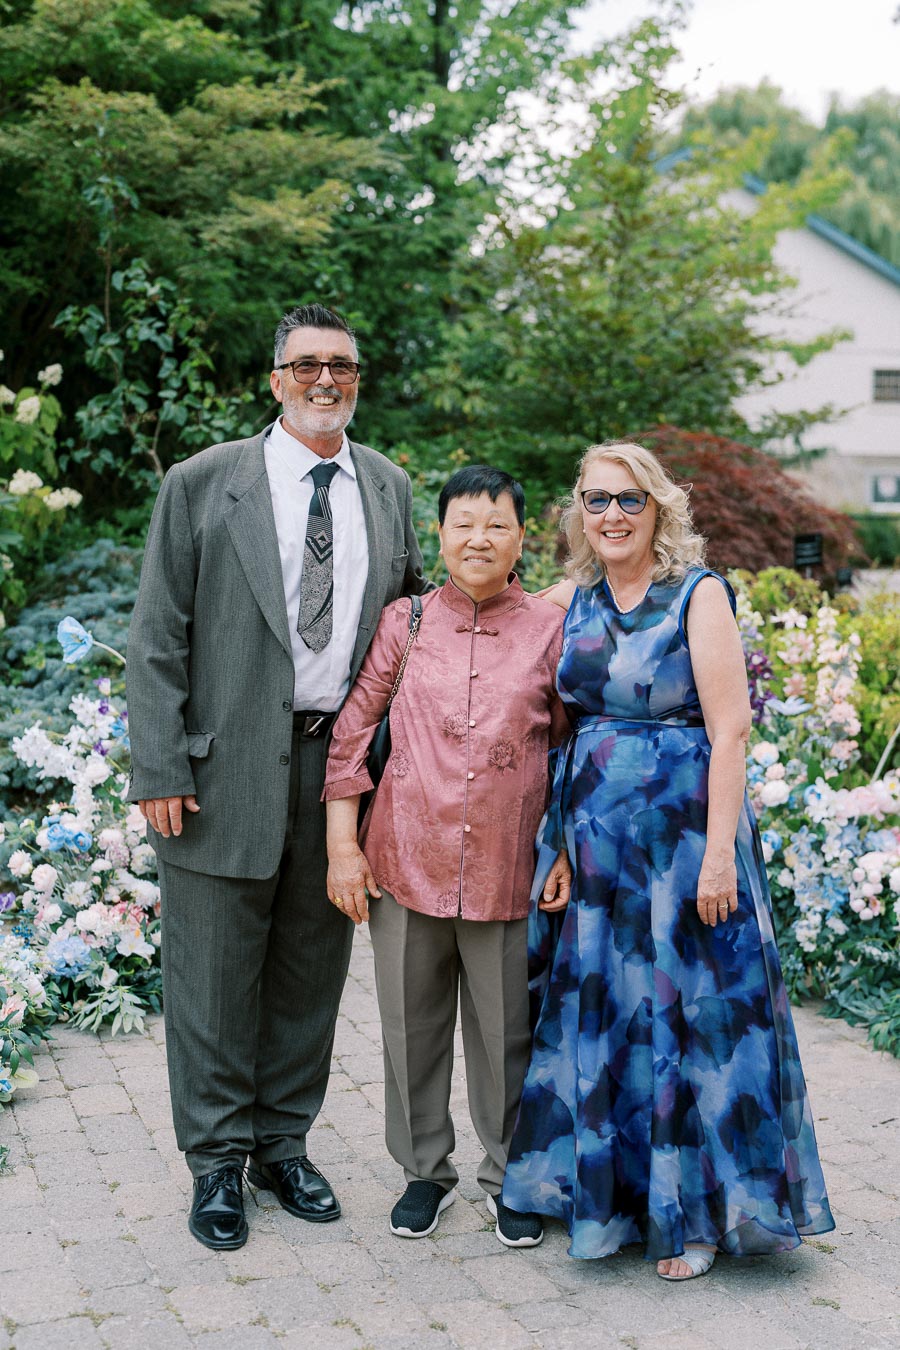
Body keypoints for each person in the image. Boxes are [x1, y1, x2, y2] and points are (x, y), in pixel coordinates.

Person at [126, 303, 430, 1251]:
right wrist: (160, 763)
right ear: (275, 379)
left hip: (340, 775)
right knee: (214, 978)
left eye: (341, 364)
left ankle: (281, 1144)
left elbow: (409, 629)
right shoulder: (204, 483)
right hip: (216, 775)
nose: (324, 379)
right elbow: (157, 635)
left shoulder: (387, 487)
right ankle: (217, 1163)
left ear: (357, 378)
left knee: (311, 967)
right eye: (306, 365)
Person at [501, 442, 835, 1280]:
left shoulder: (698, 594)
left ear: (659, 509)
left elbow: (731, 732)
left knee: (691, 1020)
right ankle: (614, 1199)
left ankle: (692, 1219)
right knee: (612, 1018)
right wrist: (561, 846)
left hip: (687, 844)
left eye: (629, 500)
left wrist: (720, 856)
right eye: (595, 499)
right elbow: (563, 724)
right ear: (578, 510)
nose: (611, 515)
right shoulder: (568, 601)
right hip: (600, 853)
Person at [322, 465, 572, 1248]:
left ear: (521, 538)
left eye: (496, 524)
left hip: (507, 867)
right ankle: (425, 1172)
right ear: (439, 534)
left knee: (507, 1037)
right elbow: (352, 735)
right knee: (409, 1027)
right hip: (403, 859)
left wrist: (560, 841)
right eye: (464, 523)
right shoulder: (409, 622)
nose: (479, 538)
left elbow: (573, 745)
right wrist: (342, 848)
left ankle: (508, 1178)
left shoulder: (549, 628)